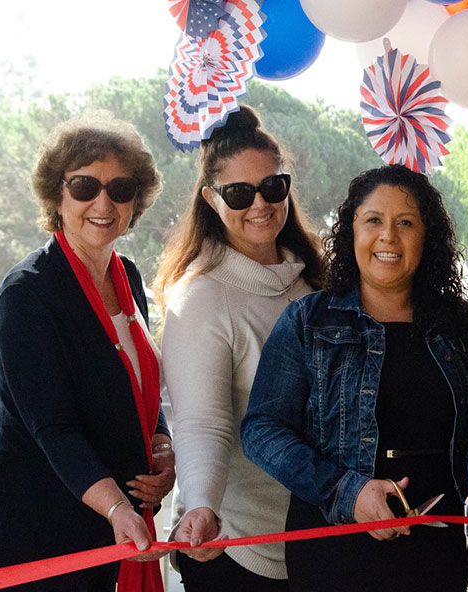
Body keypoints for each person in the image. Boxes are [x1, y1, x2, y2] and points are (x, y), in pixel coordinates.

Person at [241, 164, 468, 591]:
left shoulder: (462, 324)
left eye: (406, 222)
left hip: (433, 552)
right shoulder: (307, 321)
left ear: (428, 237)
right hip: (334, 552)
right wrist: (348, 493)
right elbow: (261, 431)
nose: (389, 236)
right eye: (373, 221)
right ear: (351, 230)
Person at [0, 114, 173, 591]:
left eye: (120, 188)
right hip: (25, 543)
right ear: (57, 195)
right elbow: (54, 427)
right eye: (85, 186)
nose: (103, 202)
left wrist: (162, 445)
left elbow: (137, 383)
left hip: (101, 536)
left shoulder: (128, 276)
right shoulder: (26, 293)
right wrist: (118, 506)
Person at [154, 107, 326, 591]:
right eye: (239, 193)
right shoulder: (202, 296)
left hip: (320, 536)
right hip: (234, 546)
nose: (260, 204)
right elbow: (201, 422)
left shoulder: (314, 283)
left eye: (272, 187)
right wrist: (203, 506)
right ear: (211, 199)